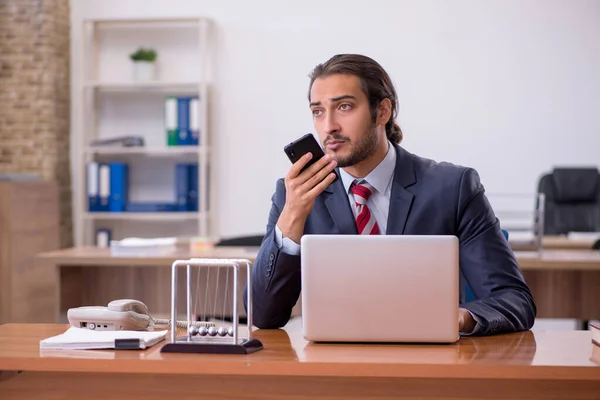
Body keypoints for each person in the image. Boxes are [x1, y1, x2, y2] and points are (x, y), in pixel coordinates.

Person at [246, 54, 536, 335]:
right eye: (318, 111)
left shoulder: (453, 188)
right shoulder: (296, 194)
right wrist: (292, 217)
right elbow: (262, 315)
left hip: (428, 366)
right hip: (331, 367)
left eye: (344, 107)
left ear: (382, 111)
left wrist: (461, 318)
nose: (329, 126)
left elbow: (514, 300)